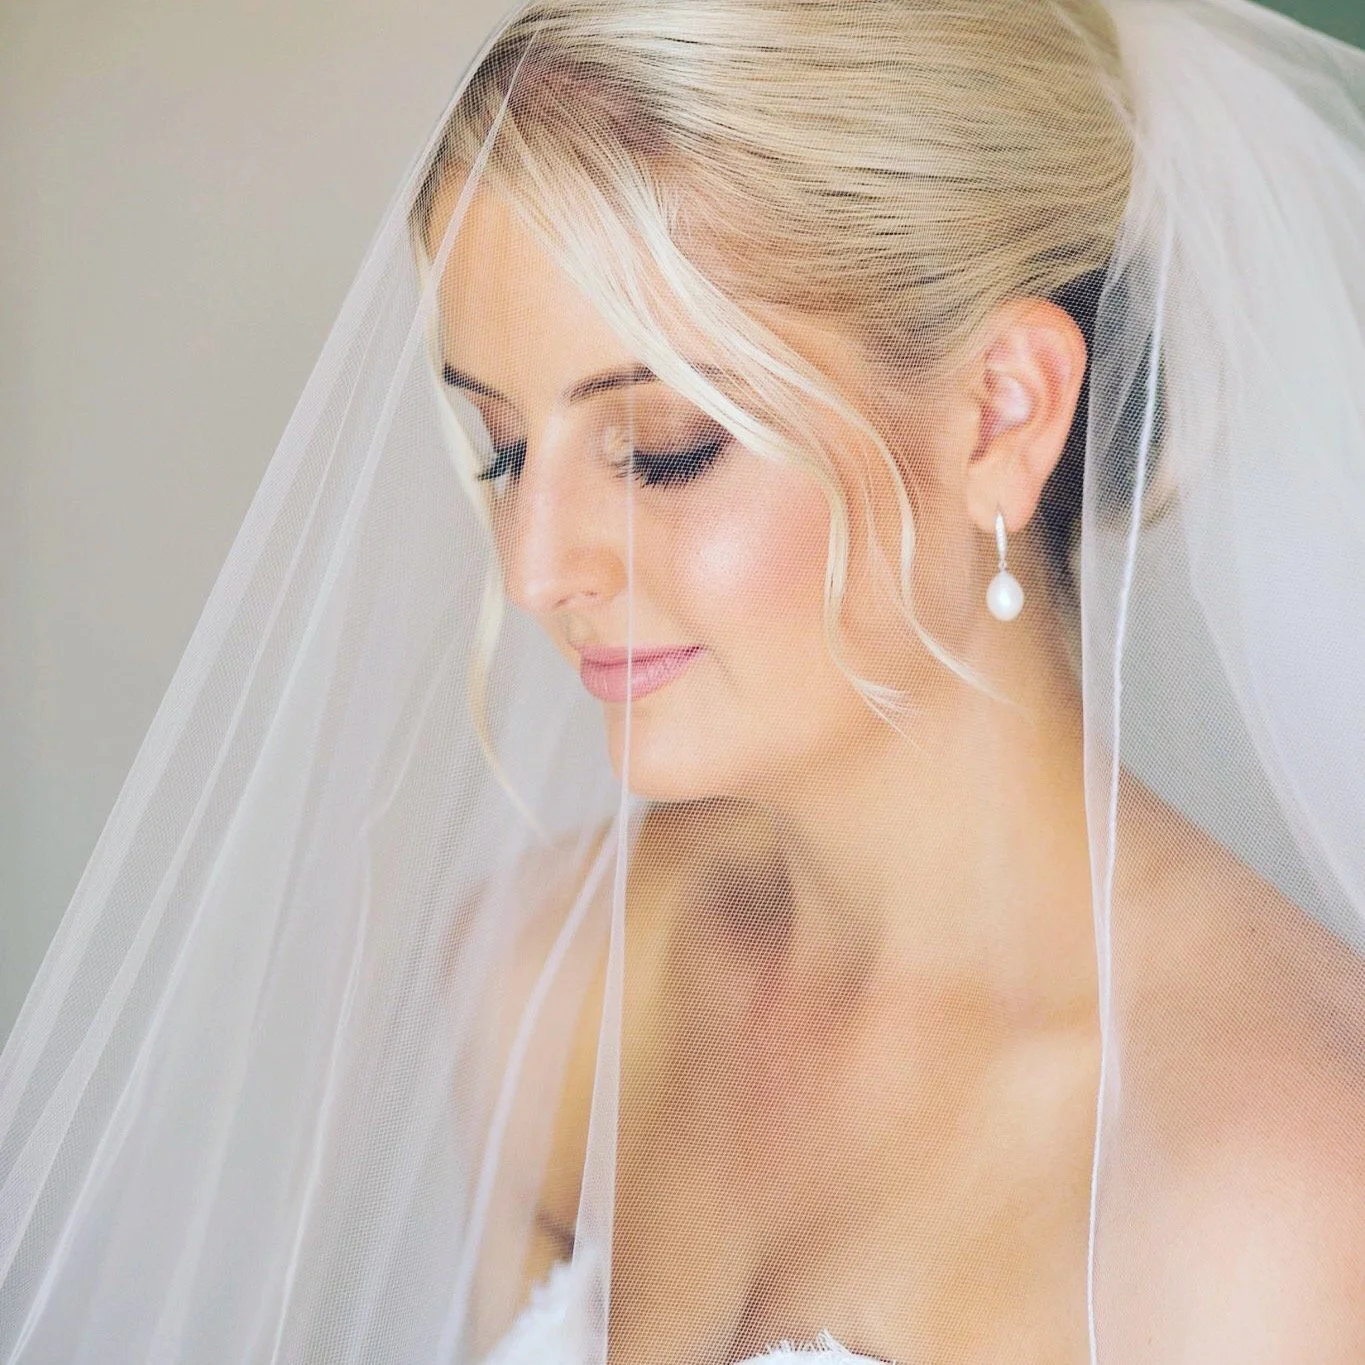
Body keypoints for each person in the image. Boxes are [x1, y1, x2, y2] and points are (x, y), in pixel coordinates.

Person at [3, 0, 1364, 1361]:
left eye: (664, 449)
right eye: (500, 450)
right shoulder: (558, 979)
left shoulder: (1270, 1190)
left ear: (1000, 413)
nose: (536, 570)